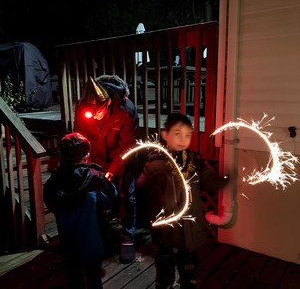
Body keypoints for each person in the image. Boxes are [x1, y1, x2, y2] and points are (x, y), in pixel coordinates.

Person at [135, 113, 230, 289]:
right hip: (166, 233)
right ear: (165, 135)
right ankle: (165, 284)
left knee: (190, 272)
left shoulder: (194, 161)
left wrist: (228, 179)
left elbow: (211, 182)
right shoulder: (156, 164)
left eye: (188, 134)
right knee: (165, 271)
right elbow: (142, 188)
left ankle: (189, 283)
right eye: (177, 133)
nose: (183, 139)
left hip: (190, 233)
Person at [74, 75, 139, 263]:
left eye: (99, 110)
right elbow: (81, 138)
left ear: (108, 102)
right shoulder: (82, 108)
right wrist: (86, 164)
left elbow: (127, 146)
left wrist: (112, 170)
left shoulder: (125, 111)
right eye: (90, 111)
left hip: (123, 158)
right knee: (95, 193)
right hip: (97, 158)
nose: (94, 114)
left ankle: (128, 235)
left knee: (127, 193)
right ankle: (102, 232)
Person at [43, 132, 118, 289]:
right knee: (94, 278)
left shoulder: (53, 182)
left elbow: (50, 202)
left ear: (62, 156)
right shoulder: (96, 178)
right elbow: (110, 201)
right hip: (94, 240)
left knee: (74, 276)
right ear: (87, 155)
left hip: (69, 241)